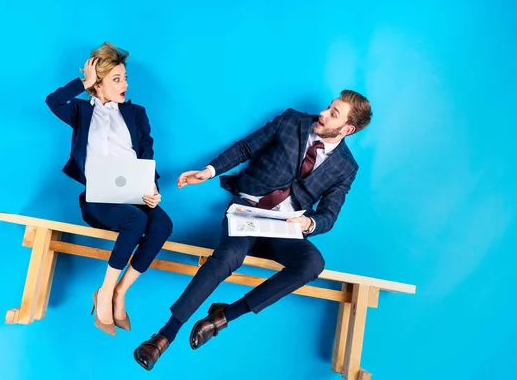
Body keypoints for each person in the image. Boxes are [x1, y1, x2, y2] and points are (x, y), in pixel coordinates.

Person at [133, 90, 372, 370]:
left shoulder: (346, 167)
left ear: (347, 129)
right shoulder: (292, 120)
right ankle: (165, 334)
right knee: (227, 258)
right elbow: (246, 148)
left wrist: (309, 223)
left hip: (283, 228)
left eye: (334, 113)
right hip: (246, 212)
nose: (323, 113)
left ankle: (224, 316)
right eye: (329, 107)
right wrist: (209, 172)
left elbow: (329, 214)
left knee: (313, 263)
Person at [45, 42, 172, 336]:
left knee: (163, 224)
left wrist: (151, 186)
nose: (125, 84)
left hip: (134, 194)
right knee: (135, 221)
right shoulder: (79, 111)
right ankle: (104, 293)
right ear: (98, 84)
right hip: (98, 199)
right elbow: (53, 102)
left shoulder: (136, 113)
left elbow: (146, 154)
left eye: (125, 78)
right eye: (117, 79)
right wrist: (82, 83)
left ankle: (118, 292)